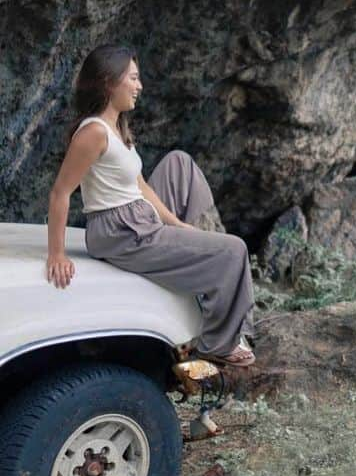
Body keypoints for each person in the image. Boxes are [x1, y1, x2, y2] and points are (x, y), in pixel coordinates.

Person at [45, 45, 257, 367]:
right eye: (133, 78)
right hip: (121, 231)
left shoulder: (116, 127)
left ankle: (203, 255)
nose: (139, 86)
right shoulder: (93, 133)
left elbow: (139, 185)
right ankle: (217, 342)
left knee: (178, 163)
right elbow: (60, 193)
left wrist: (176, 224)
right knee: (234, 250)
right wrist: (56, 254)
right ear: (108, 82)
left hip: (137, 217)